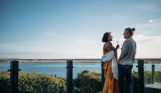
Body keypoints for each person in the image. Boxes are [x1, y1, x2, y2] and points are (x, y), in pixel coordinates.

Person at [118, 27, 136, 93]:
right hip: (130, 64)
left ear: (128, 33)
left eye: (124, 33)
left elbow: (123, 53)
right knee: (129, 82)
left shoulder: (127, 41)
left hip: (123, 65)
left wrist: (118, 60)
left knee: (121, 82)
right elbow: (133, 52)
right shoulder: (134, 42)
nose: (123, 34)